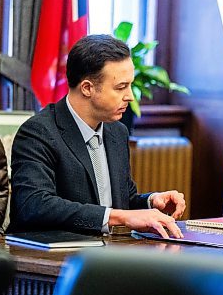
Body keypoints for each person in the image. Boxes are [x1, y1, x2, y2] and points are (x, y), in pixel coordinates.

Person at [10, 35, 186, 239]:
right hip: (51, 257)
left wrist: (151, 202)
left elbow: (120, 202)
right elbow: (35, 205)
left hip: (108, 255)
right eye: (121, 87)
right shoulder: (38, 132)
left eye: (130, 85)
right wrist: (120, 217)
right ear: (87, 88)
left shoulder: (117, 132)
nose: (130, 96)